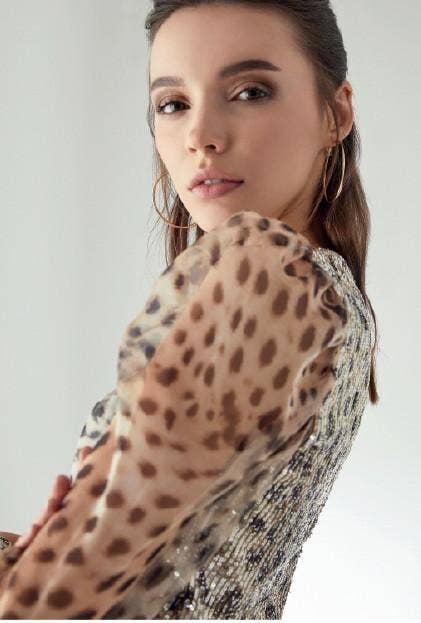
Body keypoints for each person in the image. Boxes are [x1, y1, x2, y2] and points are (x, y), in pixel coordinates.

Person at [0, 0, 380, 619]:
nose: (201, 136)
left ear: (335, 113)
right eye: (173, 103)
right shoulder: (332, 298)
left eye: (250, 92)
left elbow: (49, 606)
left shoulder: (271, 279)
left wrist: (34, 570)